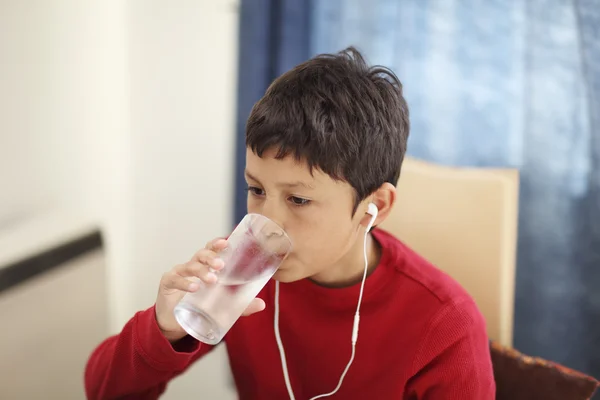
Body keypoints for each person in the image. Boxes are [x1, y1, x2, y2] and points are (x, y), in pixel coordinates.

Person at [85, 47, 495, 399]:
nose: (266, 222)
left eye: (298, 199)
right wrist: (162, 330)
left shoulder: (446, 324)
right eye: (256, 189)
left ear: (376, 207)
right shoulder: (238, 270)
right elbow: (102, 390)